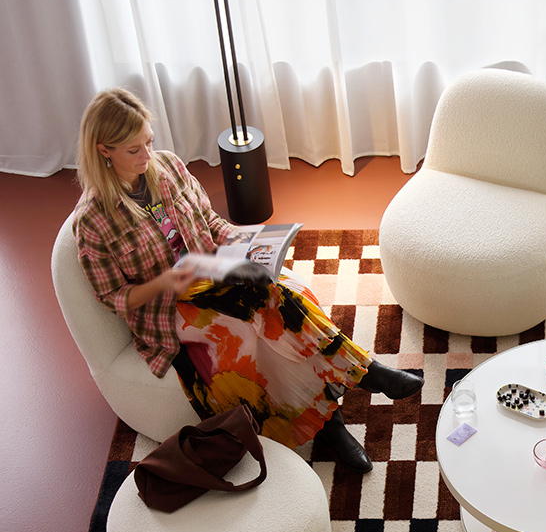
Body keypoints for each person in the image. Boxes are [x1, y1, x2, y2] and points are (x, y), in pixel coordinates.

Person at [73, 87, 423, 473]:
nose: (146, 156)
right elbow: (113, 298)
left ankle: (331, 420)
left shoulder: (168, 167)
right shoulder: (94, 220)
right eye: (133, 150)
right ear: (104, 150)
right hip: (170, 307)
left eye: (149, 142)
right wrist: (165, 282)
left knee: (273, 290)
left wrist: (247, 244)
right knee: (254, 321)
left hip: (212, 274)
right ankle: (358, 378)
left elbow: (210, 222)